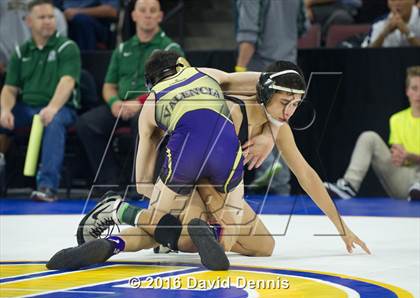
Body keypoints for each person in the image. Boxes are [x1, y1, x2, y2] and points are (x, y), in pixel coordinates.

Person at [47, 54, 370, 271]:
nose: (289, 112)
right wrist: (215, 204)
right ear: (266, 93)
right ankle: (131, 227)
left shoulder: (277, 124)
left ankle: (129, 238)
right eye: (285, 102)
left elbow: (306, 174)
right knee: (201, 237)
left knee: (263, 246)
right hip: (186, 174)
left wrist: (341, 226)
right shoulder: (227, 105)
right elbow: (194, 160)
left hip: (211, 179)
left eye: (296, 104)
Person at [75, 0, 183, 194]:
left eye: (152, 11)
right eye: (143, 10)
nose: (147, 15)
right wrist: (114, 102)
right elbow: (109, 85)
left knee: (141, 121)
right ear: (134, 16)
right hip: (122, 105)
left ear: (160, 16)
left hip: (154, 106)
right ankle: (110, 182)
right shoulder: (123, 48)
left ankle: (139, 184)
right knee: (87, 123)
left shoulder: (170, 47)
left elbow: (175, 83)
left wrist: (140, 102)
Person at [0, 0, 80, 202]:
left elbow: (67, 81)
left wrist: (52, 108)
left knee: (53, 122)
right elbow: (10, 88)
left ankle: (47, 187)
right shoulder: (21, 51)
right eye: (42, 17)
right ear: (28, 21)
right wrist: (5, 110)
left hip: (62, 108)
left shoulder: (67, 47)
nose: (47, 21)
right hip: (27, 108)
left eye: (51, 17)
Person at [235, 0, 308, 195]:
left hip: (262, 66)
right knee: (281, 118)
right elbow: (303, 25)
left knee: (255, 117)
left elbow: (249, 35)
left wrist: (239, 69)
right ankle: (280, 181)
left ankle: (268, 167)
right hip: (288, 65)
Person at [325, 66, 420, 201]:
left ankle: (418, 188)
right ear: (407, 91)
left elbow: (407, 156)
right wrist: (406, 157)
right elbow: (399, 158)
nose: (418, 94)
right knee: (369, 137)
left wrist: (410, 156)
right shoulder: (397, 119)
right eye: (415, 88)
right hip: (404, 179)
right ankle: (349, 185)